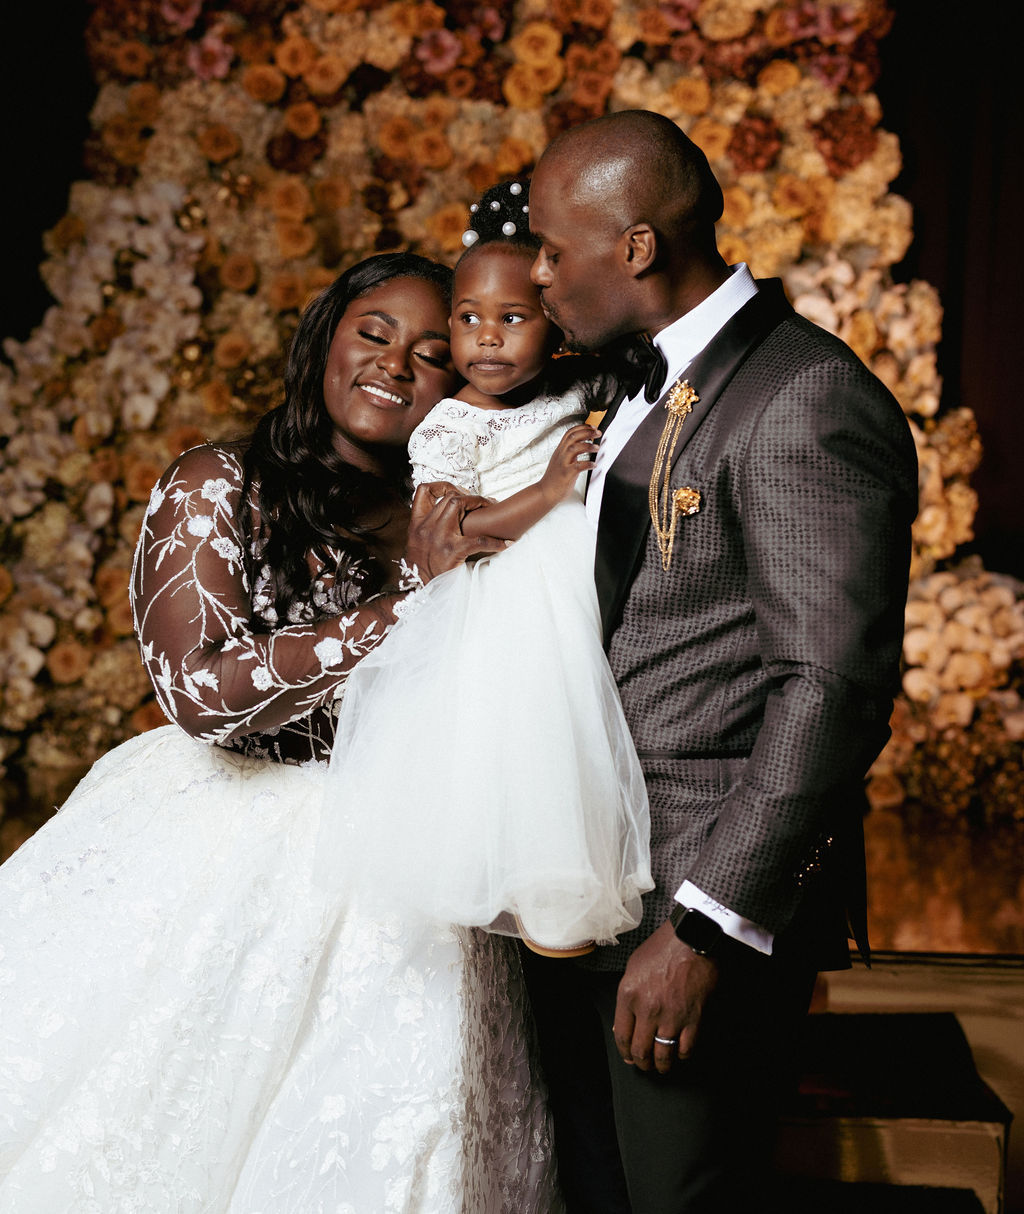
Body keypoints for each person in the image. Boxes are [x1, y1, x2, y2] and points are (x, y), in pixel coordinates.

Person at [0, 252, 563, 1213]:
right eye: (374, 333)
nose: (396, 364)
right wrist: (417, 602)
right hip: (219, 851)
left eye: (433, 353)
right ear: (326, 339)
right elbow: (202, 692)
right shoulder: (217, 482)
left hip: (402, 871)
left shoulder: (448, 513)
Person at [519, 109, 919, 1212]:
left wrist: (704, 924)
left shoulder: (803, 398)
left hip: (689, 910)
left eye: (556, 248)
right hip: (588, 887)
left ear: (637, 248)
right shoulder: (615, 381)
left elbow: (830, 684)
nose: (538, 274)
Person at [316, 182, 653, 956]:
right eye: (467, 323)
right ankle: (533, 889)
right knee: (521, 731)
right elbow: (457, 525)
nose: (487, 341)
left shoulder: (571, 384)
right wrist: (546, 491)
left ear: (551, 326)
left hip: (576, 581)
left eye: (512, 320)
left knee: (575, 742)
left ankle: (563, 890)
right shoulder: (449, 423)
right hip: (508, 593)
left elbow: (630, 370)